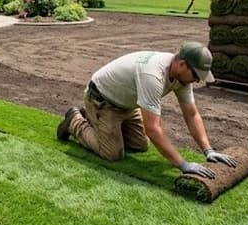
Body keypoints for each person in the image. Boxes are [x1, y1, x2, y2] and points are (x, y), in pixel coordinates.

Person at [56, 42, 237, 179]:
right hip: (102, 100)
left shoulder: (182, 78)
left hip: (128, 103)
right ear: (182, 64)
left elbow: (191, 114)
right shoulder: (152, 75)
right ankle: (75, 120)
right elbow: (153, 129)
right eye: (196, 75)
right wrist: (182, 164)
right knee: (112, 153)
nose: (197, 81)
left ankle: (103, 127)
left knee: (140, 145)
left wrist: (208, 150)